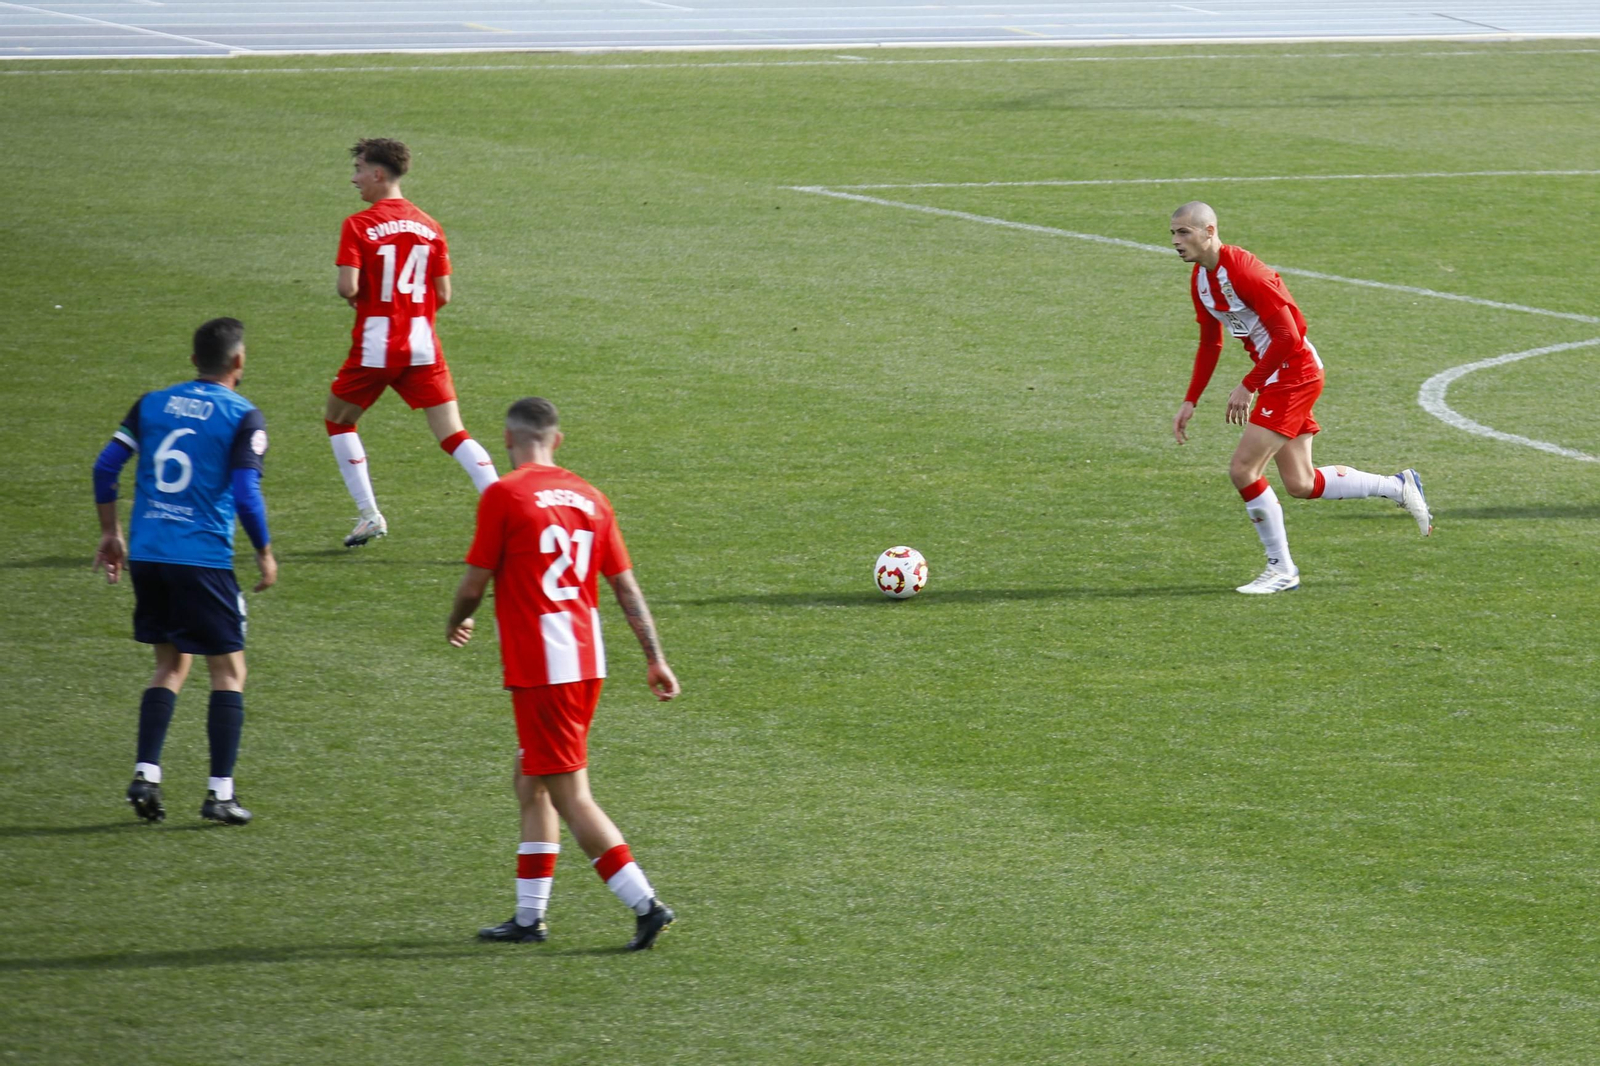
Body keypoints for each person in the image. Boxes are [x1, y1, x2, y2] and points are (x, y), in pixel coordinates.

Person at [446, 397, 681, 951]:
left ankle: (645, 904)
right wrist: (654, 656)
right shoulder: (592, 498)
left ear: (507, 438)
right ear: (560, 439)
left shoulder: (504, 495)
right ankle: (529, 919)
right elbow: (624, 587)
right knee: (531, 784)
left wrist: (458, 621)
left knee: (570, 794)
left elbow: (472, 585)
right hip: (583, 660)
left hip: (543, 668)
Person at [1168, 202, 1433, 594]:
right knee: (1301, 483)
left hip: (1294, 373)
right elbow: (1210, 340)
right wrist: (1191, 399)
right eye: (1172, 233)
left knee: (1244, 470)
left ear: (1210, 231)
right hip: (1278, 374)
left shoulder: (1245, 272)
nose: (1176, 241)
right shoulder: (1201, 279)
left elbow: (1289, 336)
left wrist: (1249, 384)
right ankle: (1399, 486)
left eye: (1184, 232)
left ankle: (1282, 570)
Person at [92, 317, 276, 825]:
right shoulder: (243, 416)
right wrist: (263, 551)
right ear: (238, 361)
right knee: (229, 671)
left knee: (170, 666)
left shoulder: (151, 403)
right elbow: (244, 492)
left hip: (149, 554)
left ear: (194, 360)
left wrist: (111, 533)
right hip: (203, 560)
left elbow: (105, 467)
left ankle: (146, 774)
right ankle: (220, 793)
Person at [326, 137, 499, 548]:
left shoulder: (359, 224)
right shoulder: (430, 225)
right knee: (453, 434)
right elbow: (444, 294)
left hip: (376, 344)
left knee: (339, 419)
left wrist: (363, 295)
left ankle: (369, 515)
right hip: (423, 345)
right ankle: (507, 514)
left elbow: (346, 285)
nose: (355, 179)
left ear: (379, 174)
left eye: (360, 170)